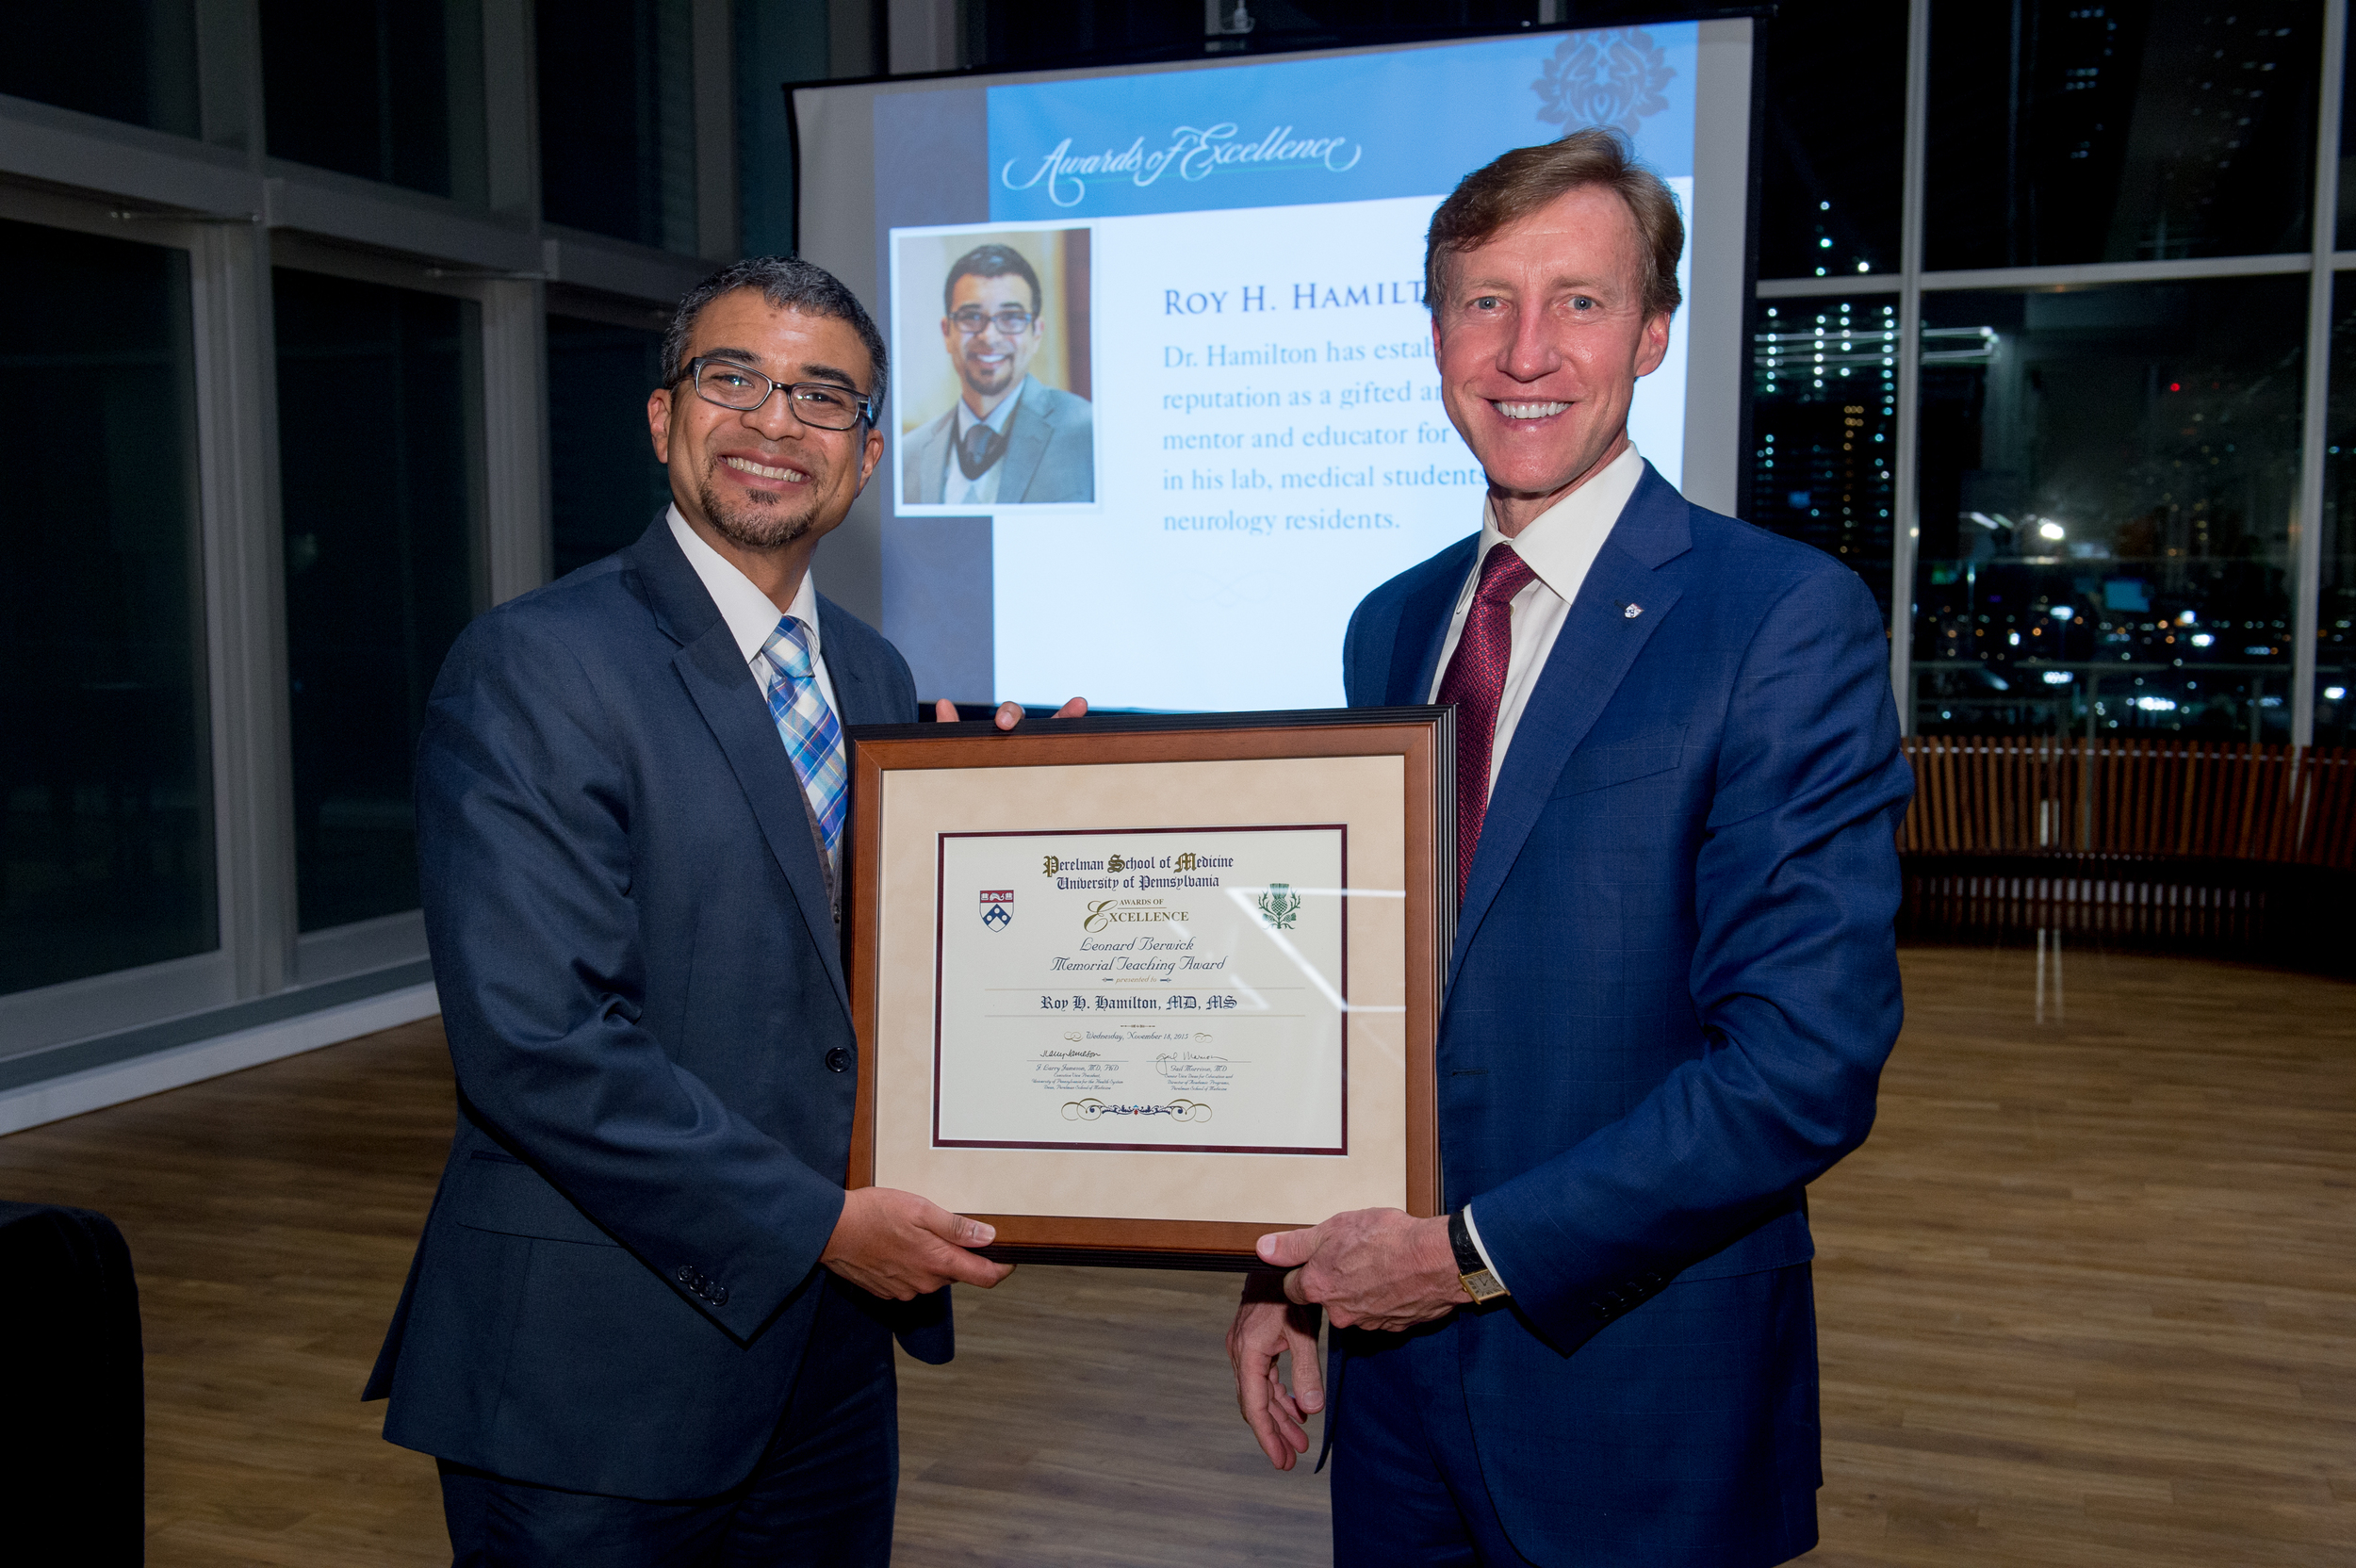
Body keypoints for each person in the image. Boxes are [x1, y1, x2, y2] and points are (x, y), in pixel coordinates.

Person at [1225, 129, 1913, 1566]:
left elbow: (1804, 1063)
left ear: (1654, 333)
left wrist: (1469, 1257)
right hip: (1394, 1395)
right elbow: (1357, 998)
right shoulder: (1392, 623)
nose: (1526, 350)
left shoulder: (1780, 616)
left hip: (1636, 1387)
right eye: (1486, 300)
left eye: (1581, 301)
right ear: (1434, 335)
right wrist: (1280, 1274)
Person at [364, 255, 1075, 1564]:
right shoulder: (537, 665)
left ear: (864, 456)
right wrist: (820, 1225)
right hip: (601, 1374)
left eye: (819, 396)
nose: (770, 421)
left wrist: (1040, 831)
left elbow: (867, 973)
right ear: (662, 417)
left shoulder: (868, 669)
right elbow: (540, 1042)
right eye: (731, 377)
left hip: (828, 1366)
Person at [902, 241, 1095, 505]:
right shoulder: (908, 453)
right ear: (947, 332)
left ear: (1036, 333)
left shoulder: (1088, 434)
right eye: (971, 316)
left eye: (1011, 317)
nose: (989, 337)